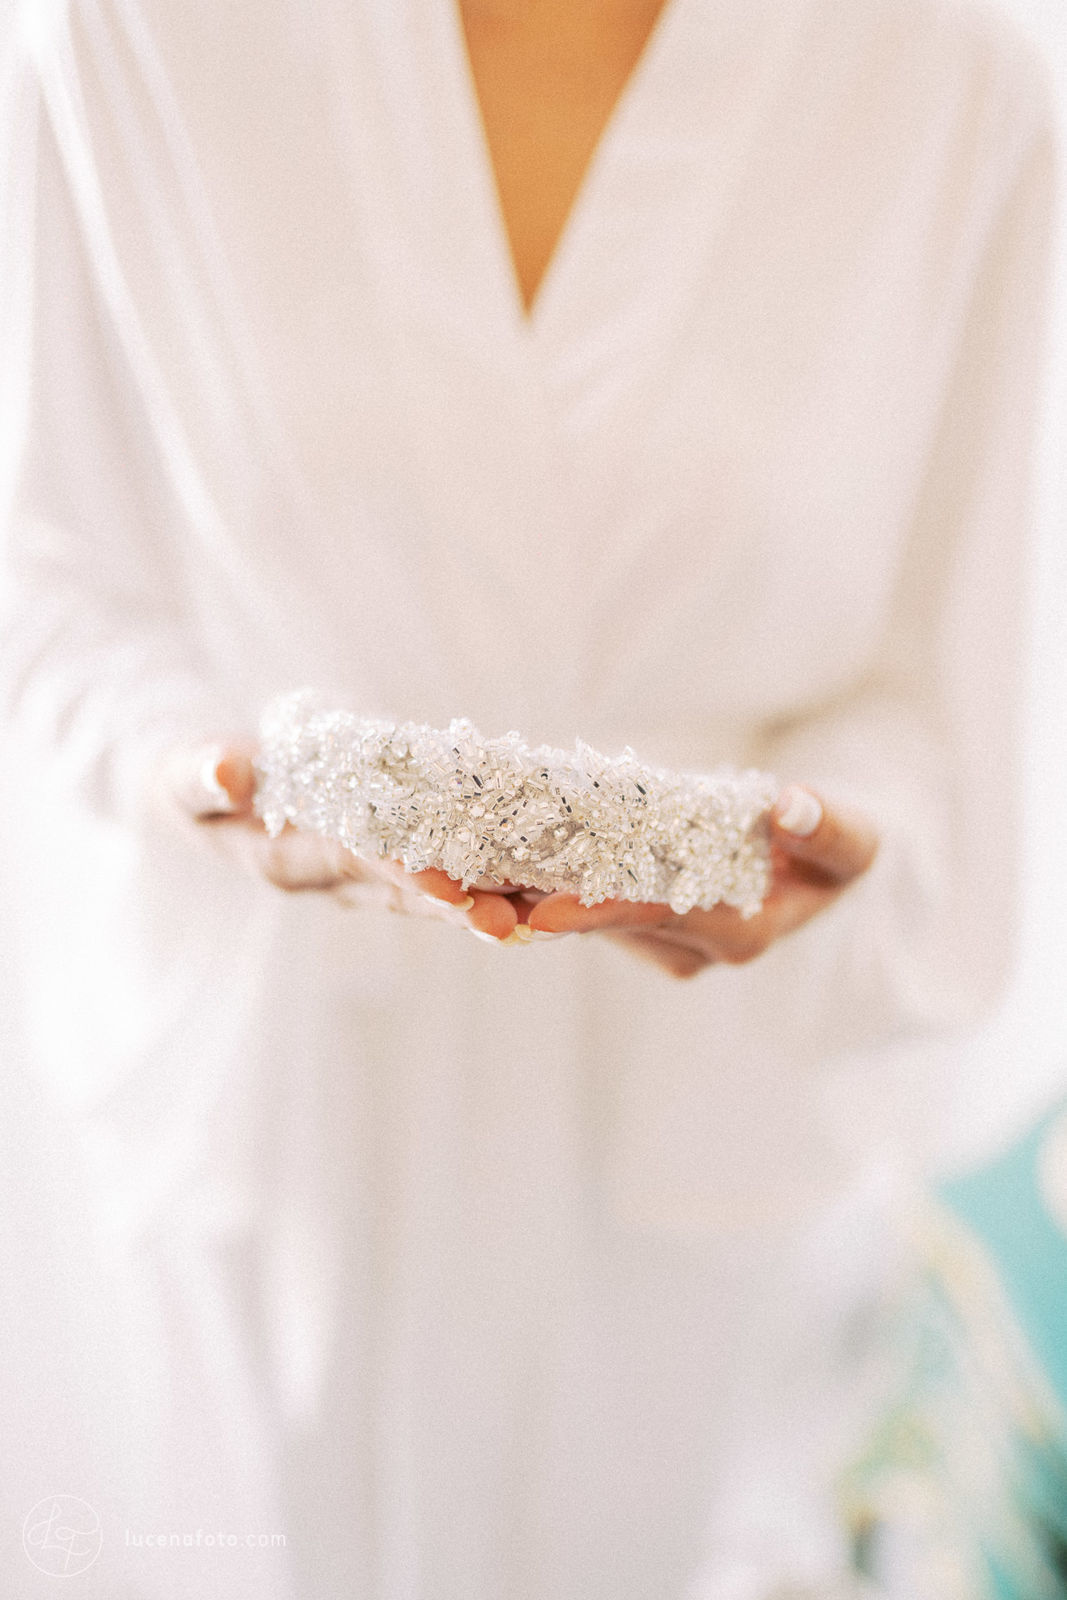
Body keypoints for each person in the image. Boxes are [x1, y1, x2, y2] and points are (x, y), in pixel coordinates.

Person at [0, 0, 1056, 1595]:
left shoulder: (958, 87)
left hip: (700, 1133)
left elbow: (946, 680)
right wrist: (198, 772)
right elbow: (53, 572)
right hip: (282, 1094)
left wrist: (819, 836)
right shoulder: (122, 33)